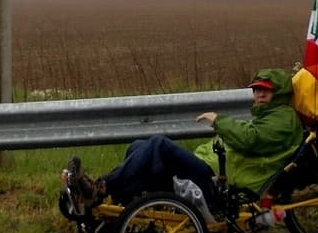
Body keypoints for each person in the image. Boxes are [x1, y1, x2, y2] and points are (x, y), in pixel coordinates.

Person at [64, 68, 304, 216]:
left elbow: (252, 140)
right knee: (138, 147)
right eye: (256, 90)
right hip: (213, 170)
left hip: (220, 184)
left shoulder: (283, 120)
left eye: (266, 91)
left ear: (280, 94)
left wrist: (218, 121)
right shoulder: (269, 117)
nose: (259, 95)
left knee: (159, 145)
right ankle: (120, 208)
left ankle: (99, 190)